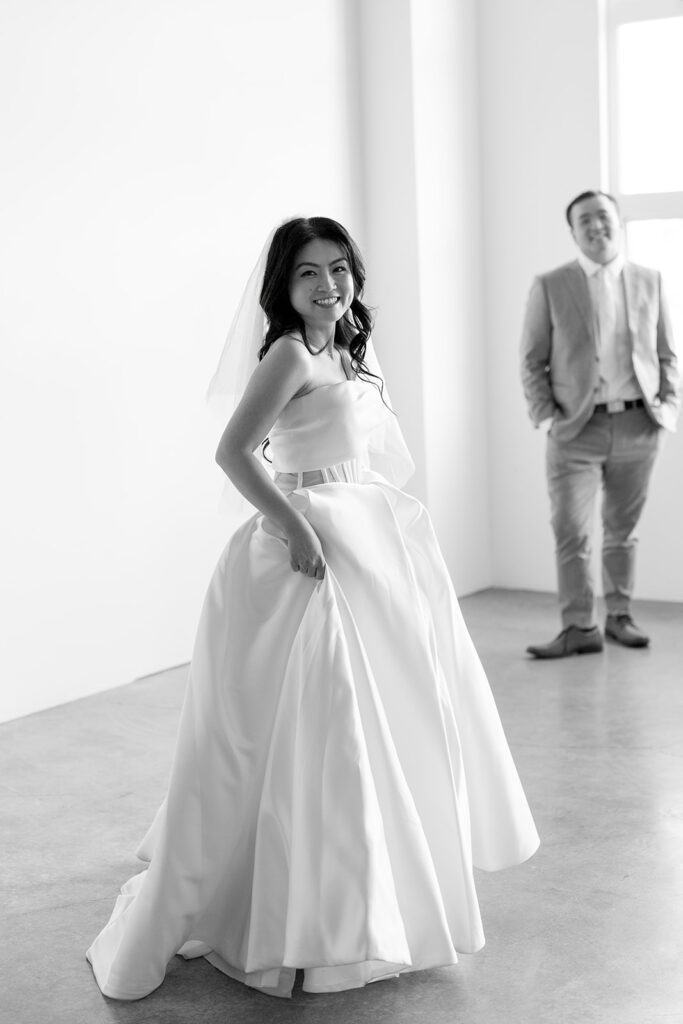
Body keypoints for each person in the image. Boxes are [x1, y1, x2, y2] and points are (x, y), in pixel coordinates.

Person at [87, 216, 539, 1001]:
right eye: (307, 274)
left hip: (364, 540)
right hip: (309, 551)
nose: (327, 285)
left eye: (338, 269)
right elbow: (234, 452)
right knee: (320, 727)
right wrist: (295, 525)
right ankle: (309, 920)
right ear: (283, 287)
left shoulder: (342, 349)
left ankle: (358, 906)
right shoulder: (291, 353)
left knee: (371, 723)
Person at [521, 191, 680, 660]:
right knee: (571, 529)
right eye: (584, 220)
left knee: (621, 529)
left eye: (603, 216)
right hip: (575, 430)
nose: (596, 226)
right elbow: (532, 360)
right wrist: (547, 414)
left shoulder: (650, 280)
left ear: (618, 222)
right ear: (573, 232)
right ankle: (578, 627)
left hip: (639, 424)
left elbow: (668, 353)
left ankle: (618, 617)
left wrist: (667, 407)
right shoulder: (550, 284)